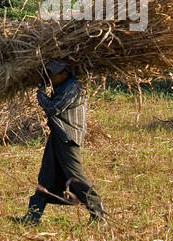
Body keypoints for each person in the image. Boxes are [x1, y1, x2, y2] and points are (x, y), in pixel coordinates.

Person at [12, 57, 105, 226]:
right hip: (57, 135)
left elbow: (53, 108)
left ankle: (99, 215)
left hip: (68, 137)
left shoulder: (73, 87)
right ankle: (32, 218)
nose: (50, 79)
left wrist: (40, 93)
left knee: (76, 177)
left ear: (64, 73)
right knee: (46, 176)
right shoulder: (62, 85)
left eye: (52, 75)